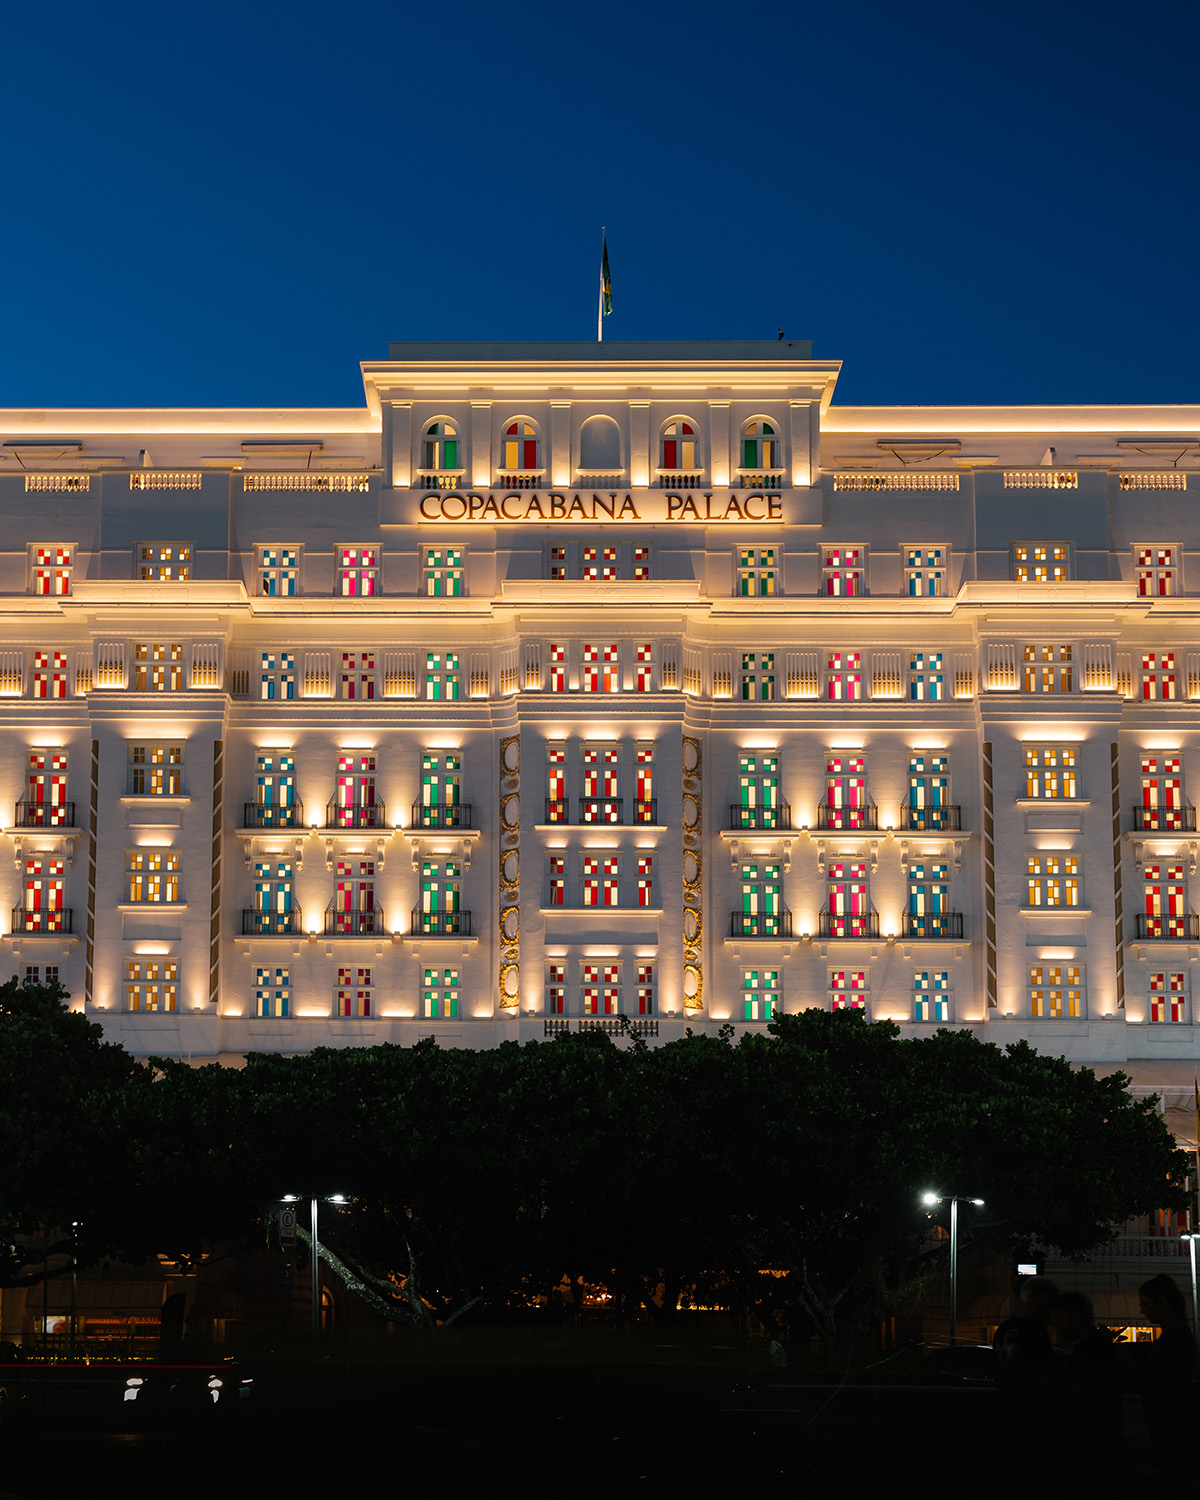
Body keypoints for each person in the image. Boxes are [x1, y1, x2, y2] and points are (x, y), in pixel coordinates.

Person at [1046, 1290, 1125, 1474]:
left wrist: (1057, 1388)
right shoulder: (1095, 1344)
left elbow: (1099, 1391)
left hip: (1094, 1440)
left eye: (1060, 1319)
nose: (1056, 1326)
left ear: (1075, 1317)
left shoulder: (1092, 1348)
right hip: (1098, 1438)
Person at [1133, 1273, 1197, 1450]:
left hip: (1171, 1419)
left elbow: (1159, 1373)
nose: (1142, 1310)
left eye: (1145, 1304)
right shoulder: (1176, 1330)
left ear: (1162, 1302)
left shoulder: (1174, 1334)